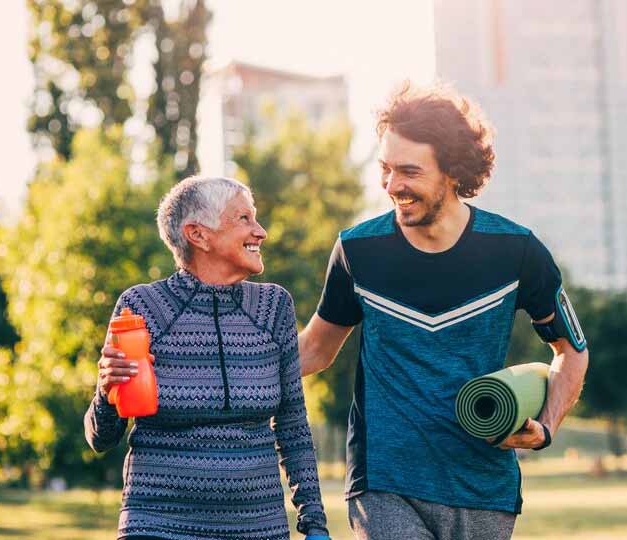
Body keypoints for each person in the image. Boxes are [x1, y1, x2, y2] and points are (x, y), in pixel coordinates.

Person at [298, 82, 591, 540]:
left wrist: (547, 426)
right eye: (386, 169)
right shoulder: (358, 251)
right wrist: (211, 368)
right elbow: (314, 350)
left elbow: (571, 351)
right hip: (384, 484)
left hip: (484, 485)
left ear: (452, 172)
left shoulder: (517, 252)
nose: (392, 185)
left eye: (409, 171)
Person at [86, 176, 330, 540]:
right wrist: (107, 393)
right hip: (159, 525)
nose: (260, 232)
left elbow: (293, 424)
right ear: (198, 235)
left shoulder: (273, 307)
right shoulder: (143, 307)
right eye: (243, 219)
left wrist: (315, 524)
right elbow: (101, 438)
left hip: (258, 528)